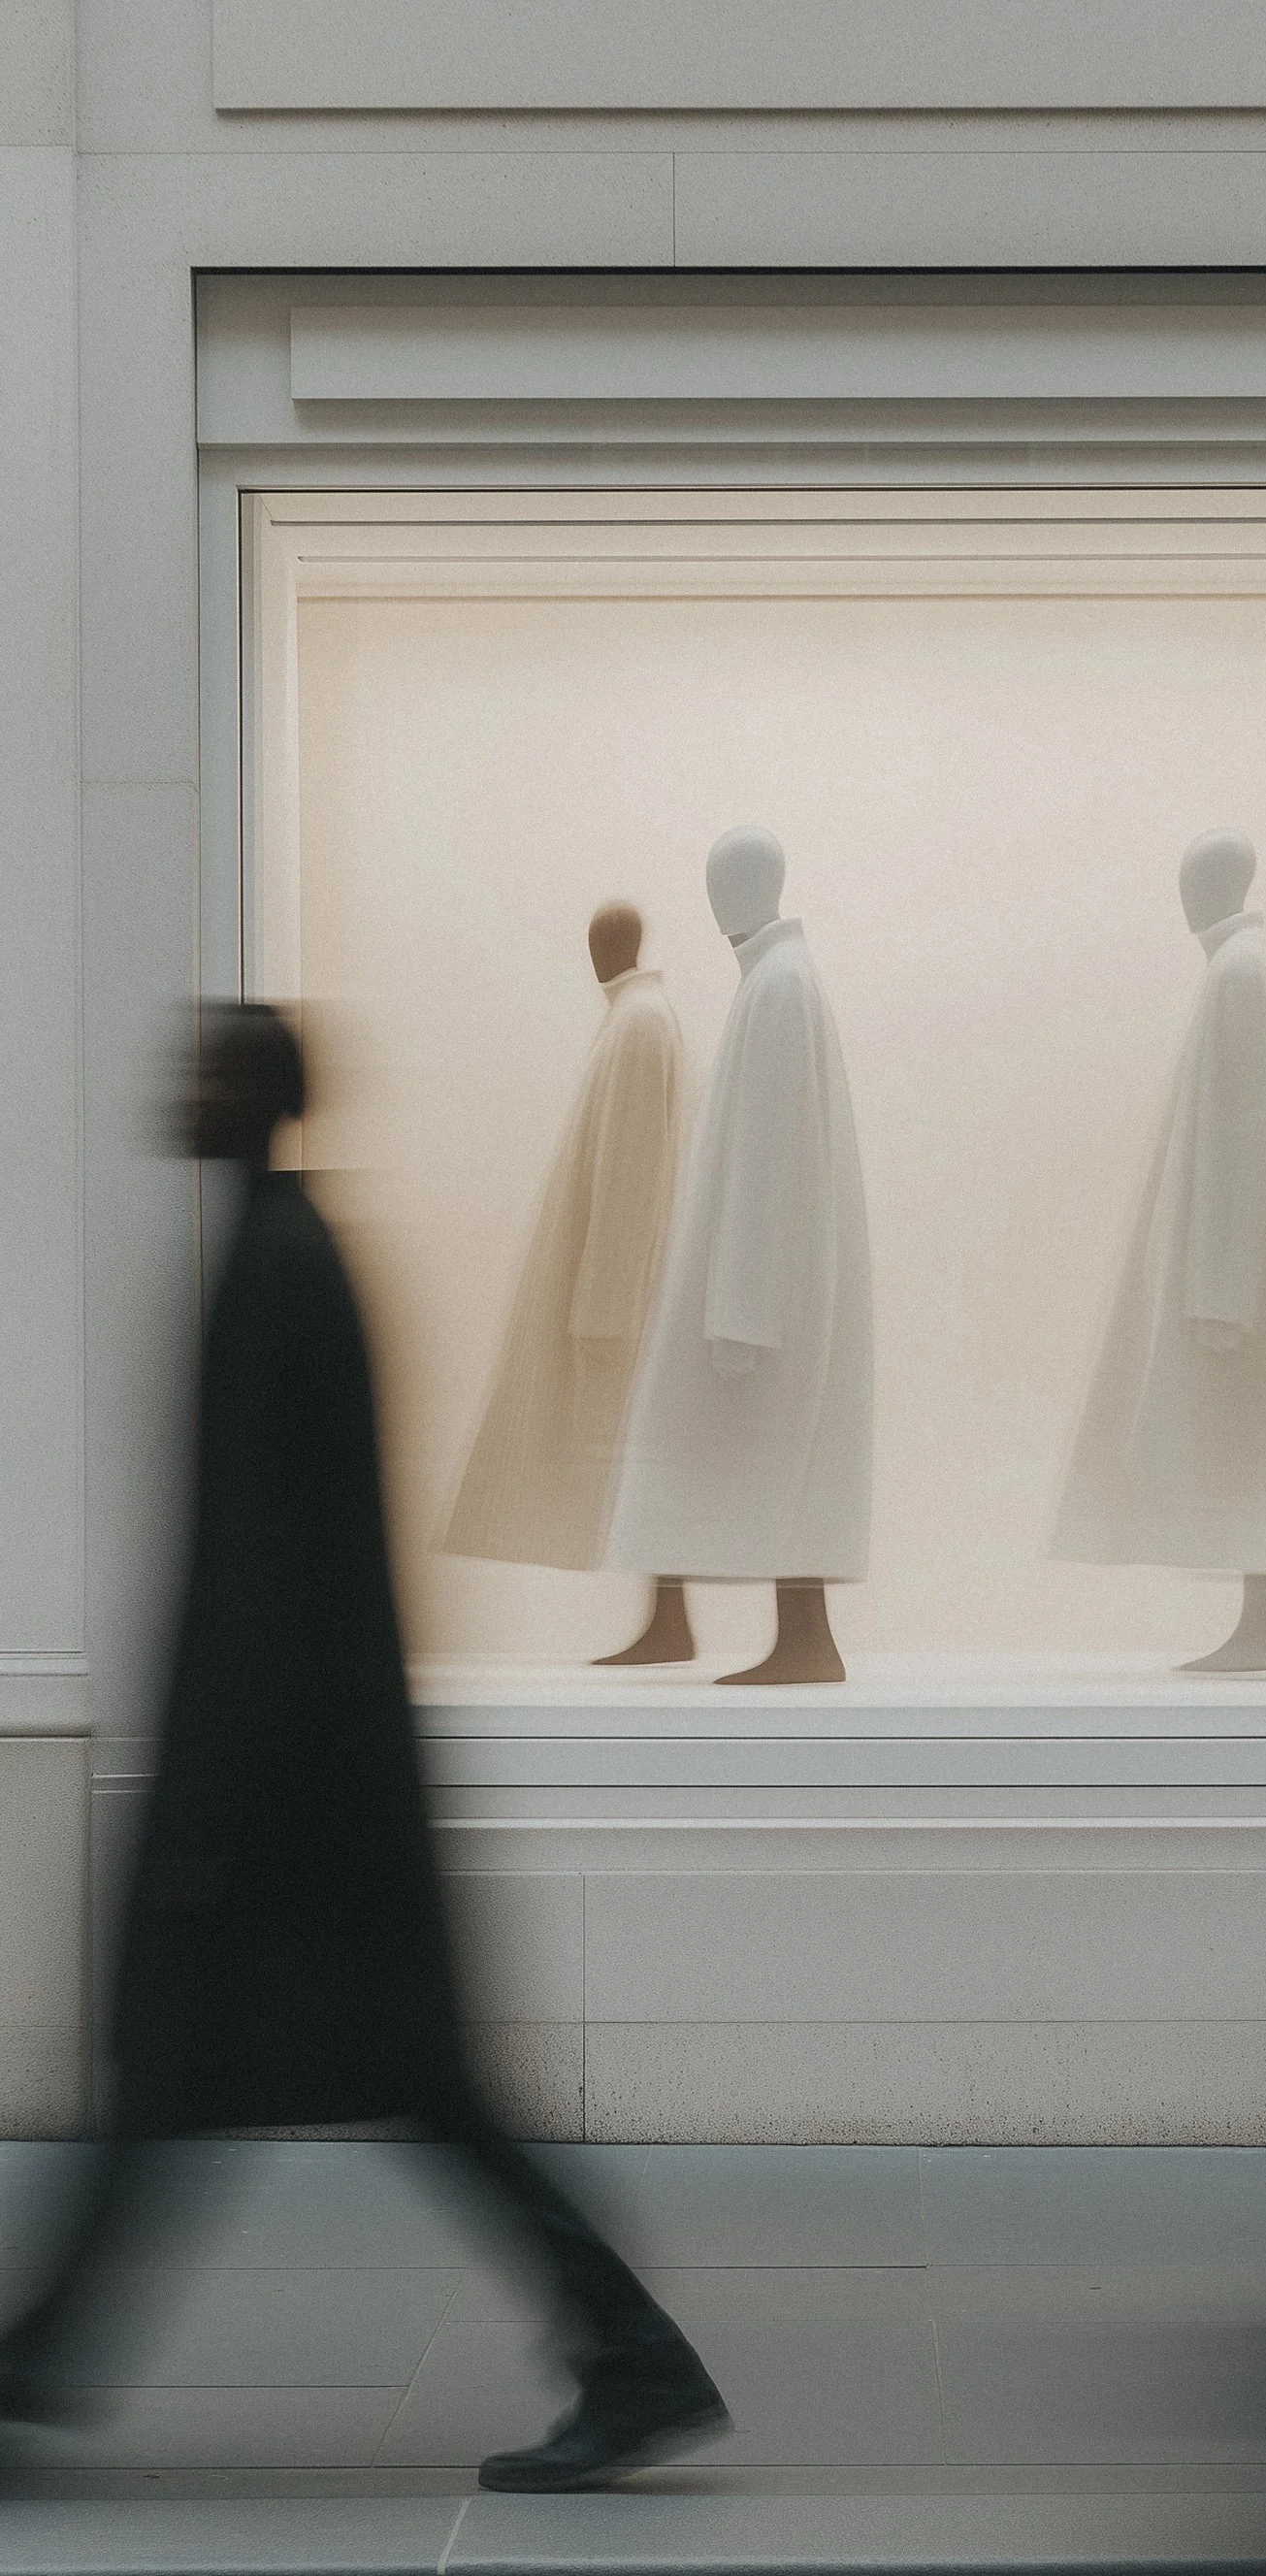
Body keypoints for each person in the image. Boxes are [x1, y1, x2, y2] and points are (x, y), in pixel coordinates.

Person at [0, 1003, 727, 2494]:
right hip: (317, 1796)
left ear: (257, 1097)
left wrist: (203, 1814)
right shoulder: (285, 1256)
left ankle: (636, 2355)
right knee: (326, 2096)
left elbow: (268, 1575)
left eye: (203, 1068)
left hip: (289, 1809)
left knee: (226, 2093)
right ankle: (631, 2355)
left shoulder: (275, 1270)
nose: (175, 1088)